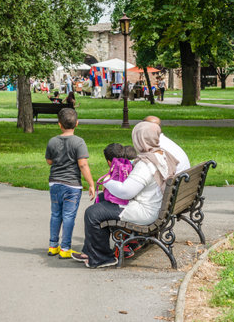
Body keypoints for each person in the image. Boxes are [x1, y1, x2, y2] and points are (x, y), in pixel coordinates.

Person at [71, 121, 178, 268]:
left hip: (145, 211)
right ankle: (90, 251)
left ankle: (102, 258)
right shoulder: (162, 155)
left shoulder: (146, 164)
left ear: (139, 139)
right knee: (101, 199)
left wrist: (107, 181)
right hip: (156, 205)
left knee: (92, 213)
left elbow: (126, 192)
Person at [45, 108, 95, 259]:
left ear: (59, 124)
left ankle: (53, 245)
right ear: (77, 123)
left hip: (54, 183)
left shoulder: (52, 141)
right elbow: (83, 165)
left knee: (55, 214)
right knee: (68, 216)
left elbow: (49, 161)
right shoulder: (79, 142)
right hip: (72, 185)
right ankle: (65, 247)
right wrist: (91, 184)